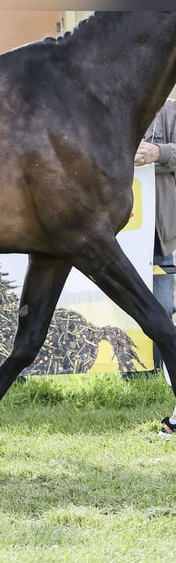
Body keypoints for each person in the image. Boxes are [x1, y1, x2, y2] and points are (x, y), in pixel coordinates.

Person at [133, 98, 176, 437]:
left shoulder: (172, 111)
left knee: (162, 307)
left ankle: (160, 371)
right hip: (125, 233)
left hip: (163, 233)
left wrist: (157, 153)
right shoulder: (123, 106)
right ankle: (131, 368)